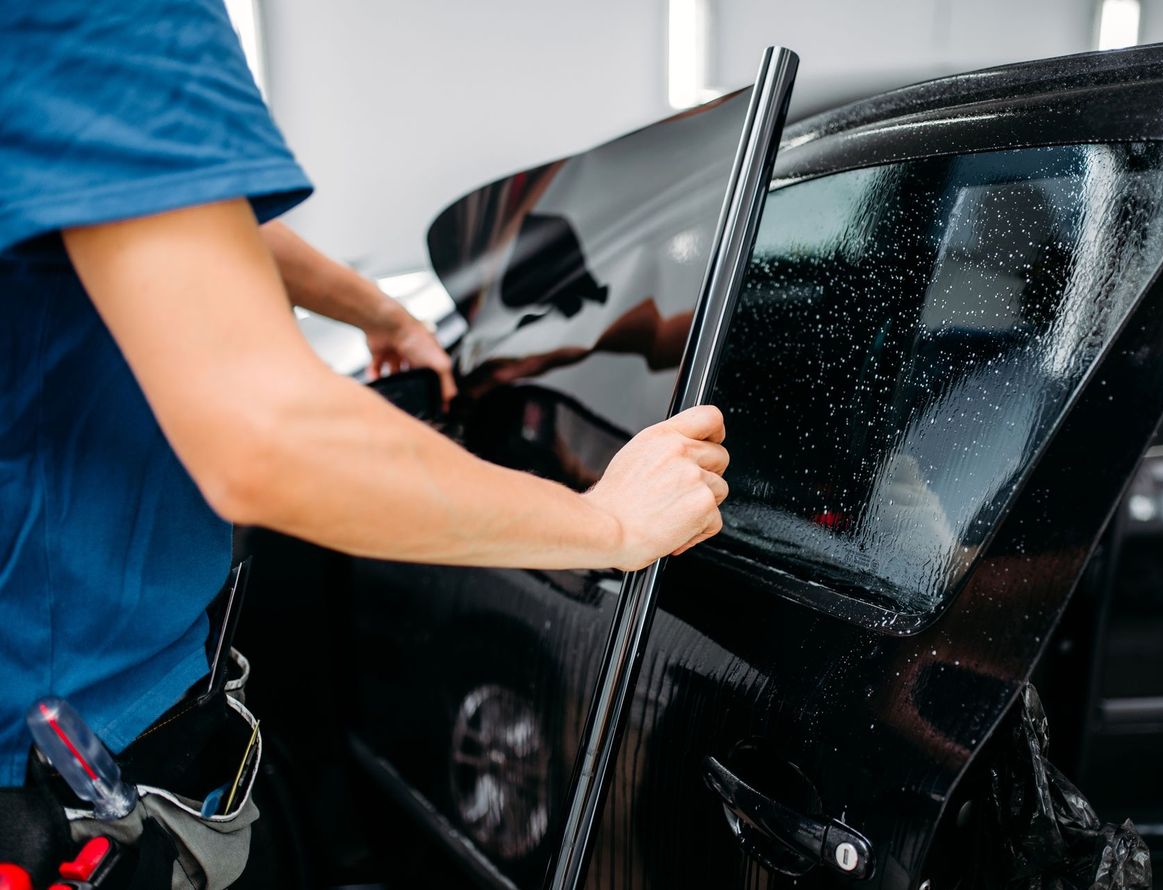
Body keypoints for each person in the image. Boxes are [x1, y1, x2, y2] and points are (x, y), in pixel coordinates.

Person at [0, 0, 728, 879]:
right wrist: (609, 524)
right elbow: (269, 439)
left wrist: (376, 311)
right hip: (65, 787)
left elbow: (167, 213)